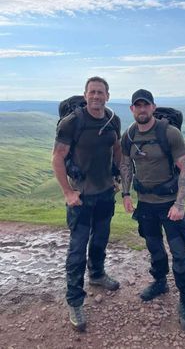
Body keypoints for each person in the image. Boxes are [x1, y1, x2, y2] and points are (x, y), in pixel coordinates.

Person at [120, 89, 185, 332]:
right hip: (145, 204)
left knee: (180, 254)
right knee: (154, 247)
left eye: (146, 105)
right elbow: (125, 164)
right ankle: (160, 281)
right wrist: (126, 193)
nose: (141, 110)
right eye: (137, 106)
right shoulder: (129, 136)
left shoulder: (169, 133)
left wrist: (180, 204)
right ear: (132, 109)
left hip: (170, 203)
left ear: (153, 107)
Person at [52, 76, 121, 331]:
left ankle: (97, 275)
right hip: (80, 198)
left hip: (105, 194)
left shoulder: (113, 120)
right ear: (85, 95)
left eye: (100, 92)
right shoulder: (73, 122)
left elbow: (116, 150)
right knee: (77, 249)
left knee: (101, 238)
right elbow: (57, 158)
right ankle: (74, 300)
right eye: (92, 92)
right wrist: (68, 192)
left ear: (107, 96)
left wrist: (116, 178)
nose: (96, 96)